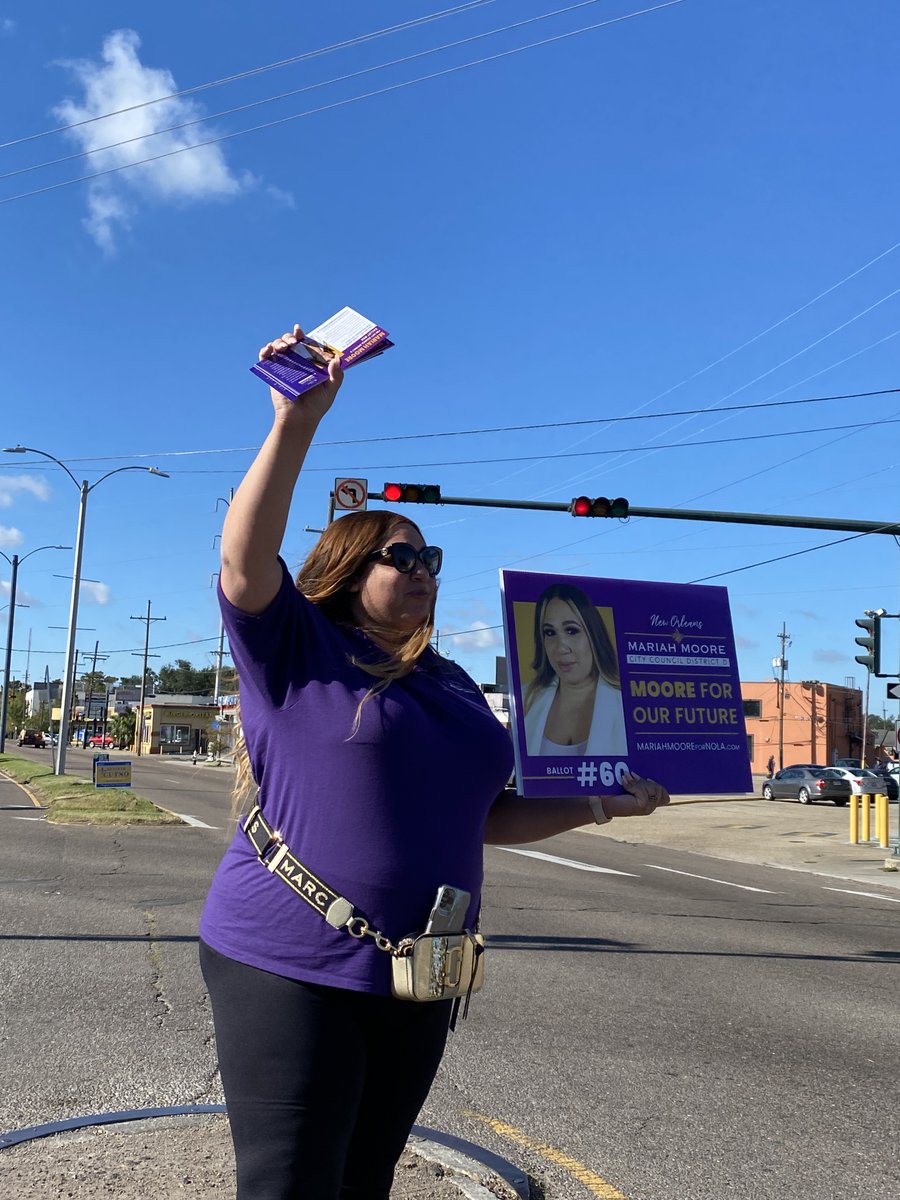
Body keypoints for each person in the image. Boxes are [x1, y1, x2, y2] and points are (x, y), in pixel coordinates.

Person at [198, 322, 671, 1200]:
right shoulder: (298, 646)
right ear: (347, 567)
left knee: (366, 1177)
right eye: (400, 556)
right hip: (287, 958)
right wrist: (295, 421)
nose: (421, 570)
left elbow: (485, 815)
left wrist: (605, 803)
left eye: (431, 558)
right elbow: (242, 557)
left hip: (421, 967)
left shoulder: (450, 681)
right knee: (291, 1183)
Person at [523, 583, 628, 756]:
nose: (560, 648)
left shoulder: (628, 704)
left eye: (571, 631)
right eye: (550, 633)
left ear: (594, 636)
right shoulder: (524, 699)